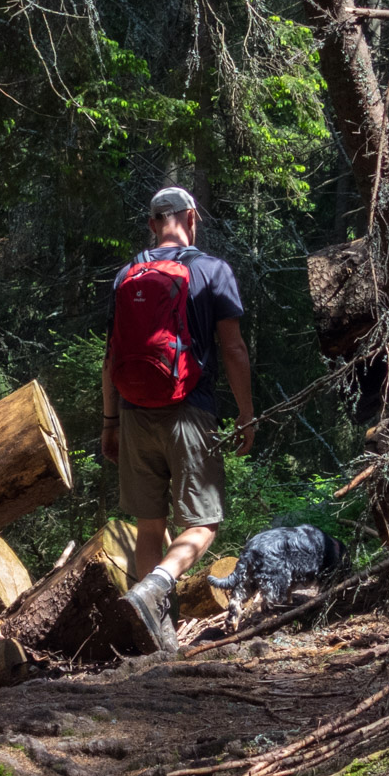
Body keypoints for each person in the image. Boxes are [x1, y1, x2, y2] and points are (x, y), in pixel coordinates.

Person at [100, 186, 255, 653]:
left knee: (151, 525)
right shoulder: (212, 270)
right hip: (190, 411)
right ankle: (157, 586)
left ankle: (157, 640)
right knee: (204, 523)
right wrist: (247, 415)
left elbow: (110, 358)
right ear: (192, 218)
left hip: (133, 413)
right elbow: (233, 348)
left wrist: (110, 423)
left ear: (152, 224)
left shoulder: (126, 274)